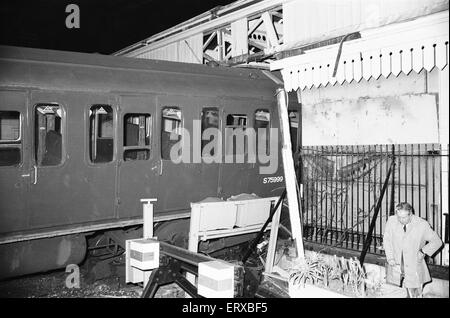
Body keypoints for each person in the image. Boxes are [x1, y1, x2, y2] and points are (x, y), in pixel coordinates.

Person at [383, 202, 443, 298]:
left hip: (413, 266)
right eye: (399, 217)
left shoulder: (422, 224)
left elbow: (437, 242)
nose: (401, 220)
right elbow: (387, 240)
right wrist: (390, 258)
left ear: (411, 214)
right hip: (396, 265)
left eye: (404, 217)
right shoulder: (392, 220)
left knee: (414, 295)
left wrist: (423, 251)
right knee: (394, 293)